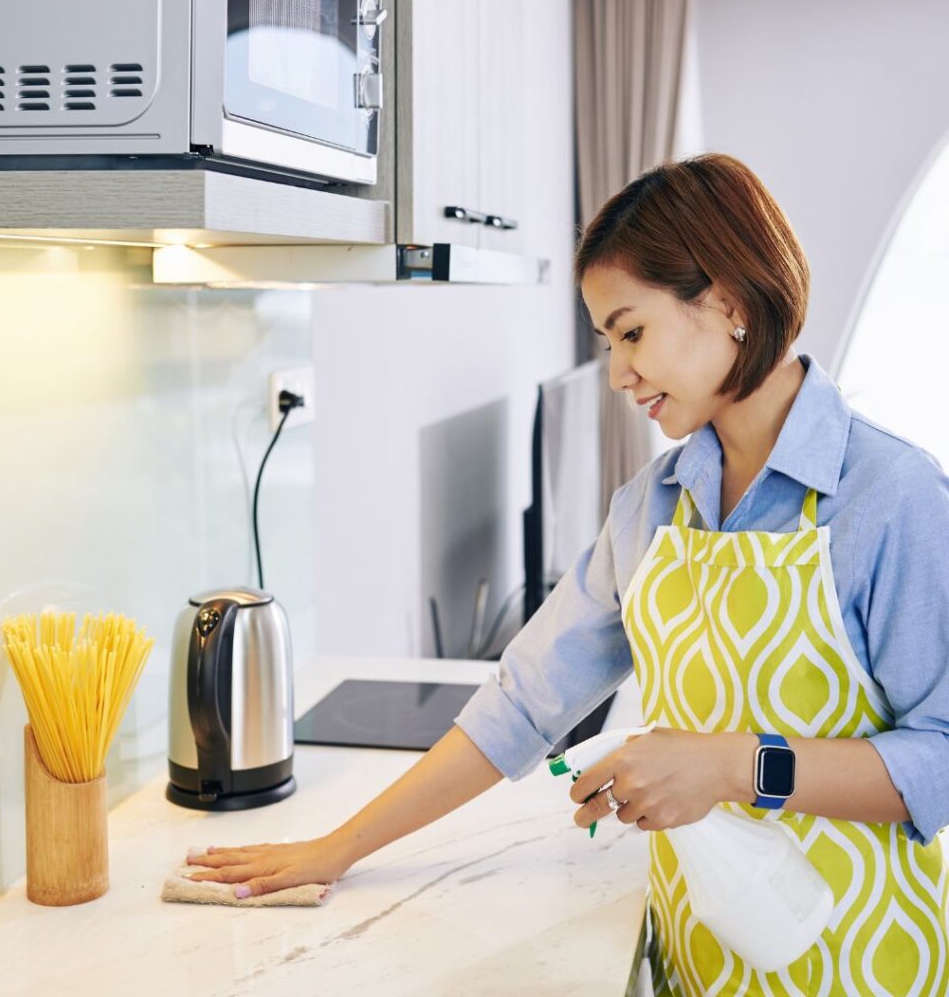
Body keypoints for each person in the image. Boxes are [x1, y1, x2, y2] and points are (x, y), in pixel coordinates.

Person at [186, 154, 949, 996]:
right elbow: (520, 704)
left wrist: (735, 766)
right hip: (700, 956)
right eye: (609, 341)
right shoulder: (652, 507)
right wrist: (336, 849)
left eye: (633, 332)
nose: (620, 373)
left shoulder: (894, 498)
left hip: (864, 963)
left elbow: (940, 760)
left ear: (728, 302)